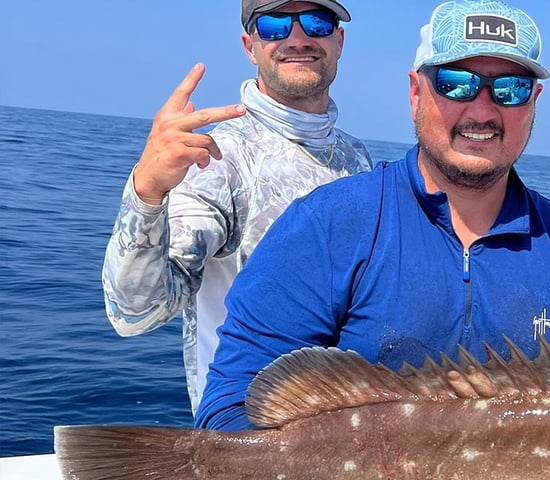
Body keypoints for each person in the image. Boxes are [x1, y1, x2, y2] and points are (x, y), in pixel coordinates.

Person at [195, 0, 550, 432]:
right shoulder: (328, 224)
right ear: (415, 93)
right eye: (455, 83)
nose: (482, 110)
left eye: (510, 88)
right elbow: (231, 411)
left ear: (533, 102)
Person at [102, 0, 372, 414]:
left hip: (348, 433)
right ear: (251, 46)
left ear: (338, 40)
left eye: (316, 22)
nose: (298, 38)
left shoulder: (358, 160)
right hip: (249, 440)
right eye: (275, 25)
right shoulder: (216, 159)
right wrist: (147, 190)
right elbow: (135, 313)